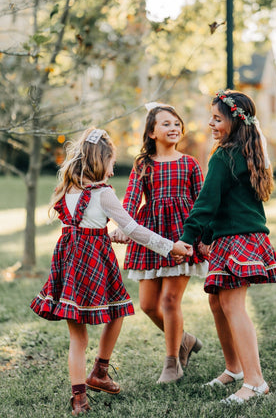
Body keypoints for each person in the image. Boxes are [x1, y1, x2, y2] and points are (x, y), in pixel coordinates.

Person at [30, 127, 192, 416]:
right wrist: (171, 247)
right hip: (95, 258)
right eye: (111, 161)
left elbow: (78, 222)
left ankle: (79, 398)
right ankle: (100, 371)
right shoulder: (103, 193)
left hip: (68, 259)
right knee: (117, 311)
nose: (112, 167)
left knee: (77, 337)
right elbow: (133, 229)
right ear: (100, 161)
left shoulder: (66, 189)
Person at [176, 90, 276, 403]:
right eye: (210, 117)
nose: (210, 123)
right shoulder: (247, 152)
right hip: (237, 235)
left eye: (217, 118)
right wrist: (209, 236)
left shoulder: (223, 157)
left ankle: (255, 382)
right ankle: (235, 368)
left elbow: (207, 201)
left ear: (234, 122)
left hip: (239, 237)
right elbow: (226, 201)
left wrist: (188, 237)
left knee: (234, 307)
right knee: (218, 303)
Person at [111, 103, 208, 384]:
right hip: (151, 238)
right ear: (152, 132)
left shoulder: (189, 163)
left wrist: (201, 239)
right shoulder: (143, 165)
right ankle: (185, 339)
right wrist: (123, 227)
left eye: (176, 123)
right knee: (147, 304)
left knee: (169, 301)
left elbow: (201, 204)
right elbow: (130, 199)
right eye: (166, 123)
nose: (173, 128)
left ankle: (172, 363)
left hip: (182, 237)